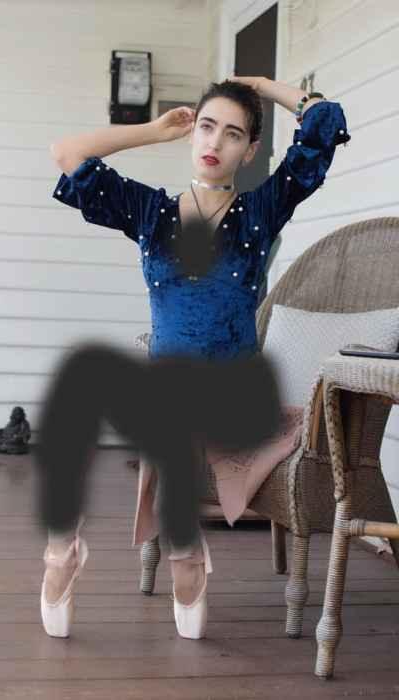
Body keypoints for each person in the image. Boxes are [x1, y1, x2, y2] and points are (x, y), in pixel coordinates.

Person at [41, 76, 351, 639]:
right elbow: (67, 153)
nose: (215, 142)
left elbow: (323, 124)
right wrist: (152, 131)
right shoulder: (150, 212)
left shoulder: (262, 210)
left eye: (233, 134)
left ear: (249, 151)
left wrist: (264, 86)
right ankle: (63, 549)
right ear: (192, 134)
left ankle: (184, 550)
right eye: (207, 127)